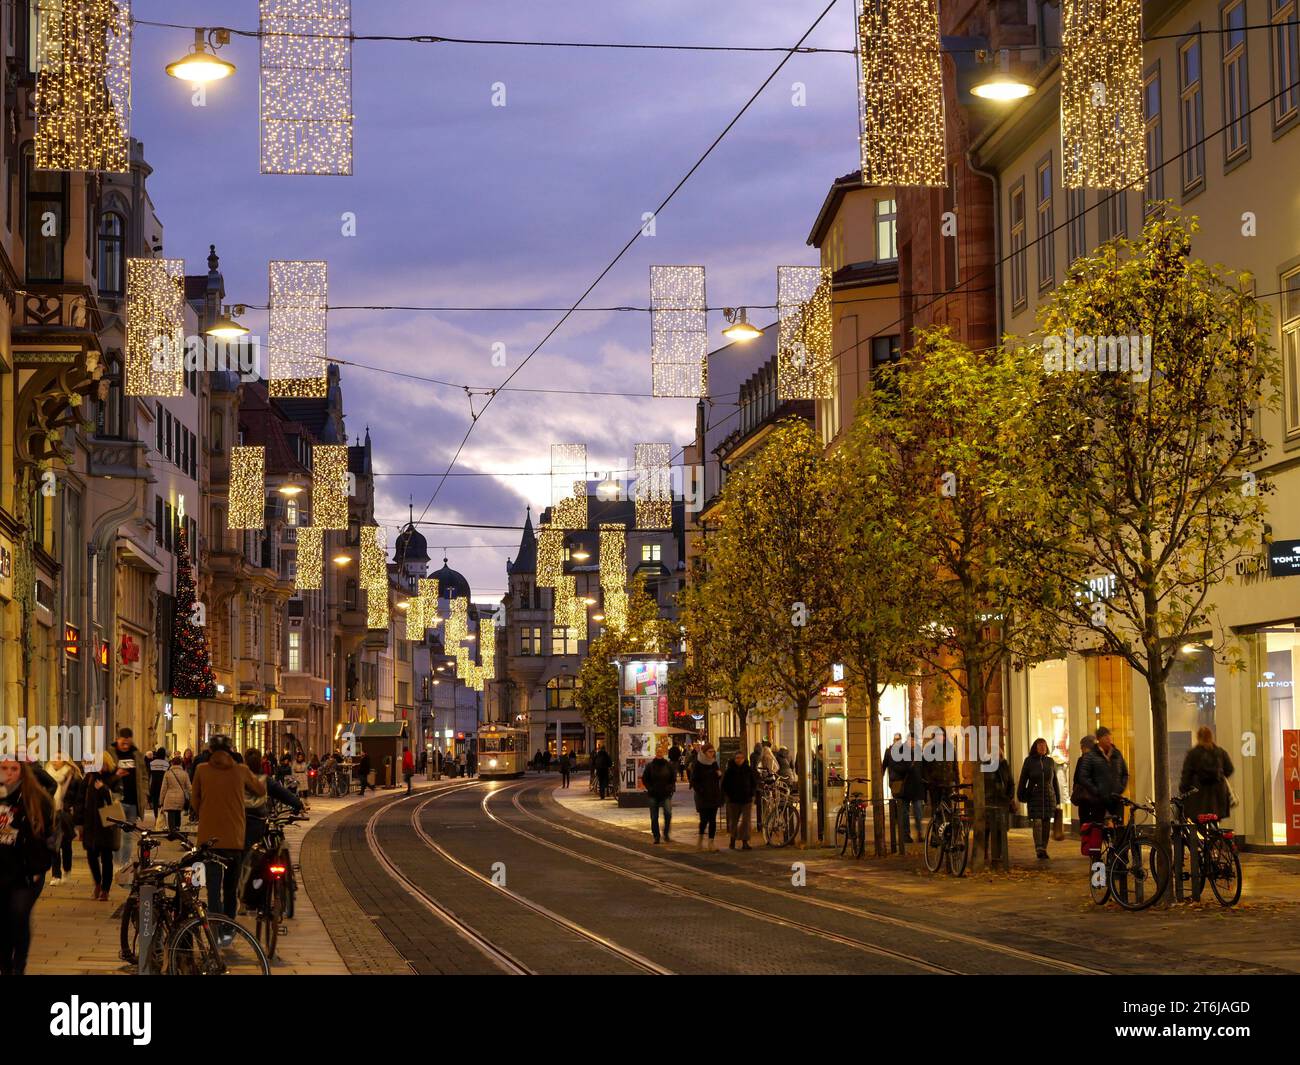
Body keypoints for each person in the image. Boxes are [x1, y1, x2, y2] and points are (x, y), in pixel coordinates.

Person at [191, 736, 266, 932]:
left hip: (209, 840)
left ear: (210, 751)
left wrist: (205, 815)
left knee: (213, 889)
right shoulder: (241, 770)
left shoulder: (201, 770)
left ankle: (215, 926)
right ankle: (228, 929)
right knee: (231, 889)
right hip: (234, 838)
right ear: (231, 751)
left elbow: (194, 800)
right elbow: (260, 790)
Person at [0, 758, 54, 975]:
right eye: (4, 768)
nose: (9, 773)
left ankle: (18, 966)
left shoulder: (35, 798)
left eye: (14, 768)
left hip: (26, 872)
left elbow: (48, 836)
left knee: (18, 915)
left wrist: (39, 867)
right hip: (1, 869)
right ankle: (5, 965)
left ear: (22, 771)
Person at [108, 728, 148, 873]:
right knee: (115, 835)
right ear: (117, 739)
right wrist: (117, 775)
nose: (125, 746)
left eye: (128, 743)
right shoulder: (109, 754)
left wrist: (145, 793)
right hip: (115, 800)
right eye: (123, 743)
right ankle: (115, 863)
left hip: (133, 802)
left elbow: (144, 775)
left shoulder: (136, 754)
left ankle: (124, 864)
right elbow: (103, 776)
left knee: (127, 836)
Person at [1018, 738, 1062, 860]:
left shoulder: (1050, 761)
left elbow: (1054, 781)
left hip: (1048, 796)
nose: (1043, 747)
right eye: (1040, 745)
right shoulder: (1029, 761)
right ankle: (1039, 848)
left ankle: (1044, 848)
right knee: (1037, 822)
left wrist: (1058, 800)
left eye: (1044, 745)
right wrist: (1022, 794)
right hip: (1034, 796)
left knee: (1046, 823)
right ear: (1035, 747)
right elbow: (1023, 779)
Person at [1179, 726, 1235, 822]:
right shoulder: (1220, 753)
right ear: (1211, 737)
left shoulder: (1192, 754)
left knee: (1200, 824)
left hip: (1198, 799)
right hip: (1217, 797)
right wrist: (1219, 778)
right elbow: (1230, 769)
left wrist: (1183, 791)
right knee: (1214, 821)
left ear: (1198, 737)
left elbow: (1186, 777)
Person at [82, 762, 118, 903]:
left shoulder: (113, 778)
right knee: (91, 855)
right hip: (90, 823)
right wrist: (78, 822)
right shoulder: (89, 778)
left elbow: (117, 798)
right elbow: (80, 799)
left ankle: (105, 890)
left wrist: (103, 789)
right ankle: (97, 883)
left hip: (107, 823)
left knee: (106, 857)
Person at [1077, 726, 1129, 818]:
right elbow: (1083, 777)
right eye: (1105, 736)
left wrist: (1121, 787)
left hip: (1116, 798)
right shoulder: (1091, 756)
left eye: (1109, 736)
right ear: (1099, 739)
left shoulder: (1117, 754)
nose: (1108, 739)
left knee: (1118, 824)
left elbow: (1125, 773)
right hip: (1098, 801)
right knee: (1099, 824)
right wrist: (1096, 790)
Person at [45, 758, 82, 885]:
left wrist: (75, 813)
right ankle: (56, 875)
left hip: (66, 814)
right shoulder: (46, 773)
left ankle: (67, 869)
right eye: (54, 758)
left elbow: (79, 797)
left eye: (59, 758)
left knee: (66, 844)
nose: (55, 761)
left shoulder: (74, 776)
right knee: (54, 843)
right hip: (52, 813)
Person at [884, 733, 925, 843]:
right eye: (910, 740)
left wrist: (924, 782)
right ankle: (906, 835)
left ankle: (920, 833)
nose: (912, 742)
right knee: (905, 813)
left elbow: (923, 768)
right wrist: (906, 768)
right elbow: (895, 766)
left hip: (917, 786)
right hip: (905, 787)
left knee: (918, 812)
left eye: (914, 740)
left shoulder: (919, 752)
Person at [688, 743, 723, 850]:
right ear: (704, 752)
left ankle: (711, 843)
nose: (712, 754)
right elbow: (694, 781)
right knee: (704, 820)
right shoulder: (698, 764)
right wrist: (701, 790)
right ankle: (700, 839)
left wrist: (719, 775)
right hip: (702, 797)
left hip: (713, 795)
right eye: (710, 752)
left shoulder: (714, 763)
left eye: (713, 752)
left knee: (712, 820)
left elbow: (717, 776)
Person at [722, 749, 758, 850]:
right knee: (734, 821)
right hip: (734, 800)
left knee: (746, 821)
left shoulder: (748, 769)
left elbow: (753, 782)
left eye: (741, 758)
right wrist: (729, 795)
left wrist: (752, 793)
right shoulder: (730, 770)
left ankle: (745, 841)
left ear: (744, 759)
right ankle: (732, 840)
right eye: (737, 758)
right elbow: (725, 784)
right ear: (734, 759)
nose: (739, 760)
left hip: (746, 799)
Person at [920, 726, 958, 819]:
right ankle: (936, 825)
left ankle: (948, 825)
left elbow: (955, 766)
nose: (940, 737)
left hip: (948, 783)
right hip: (935, 784)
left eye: (942, 735)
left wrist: (957, 781)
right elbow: (925, 767)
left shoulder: (950, 748)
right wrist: (929, 781)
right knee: (936, 807)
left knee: (948, 806)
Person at [641, 746, 677, 843]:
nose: (659, 753)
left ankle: (666, 833)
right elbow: (645, 778)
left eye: (661, 752)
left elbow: (673, 778)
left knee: (668, 813)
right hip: (653, 794)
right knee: (654, 816)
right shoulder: (650, 766)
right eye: (658, 752)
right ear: (655, 753)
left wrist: (670, 788)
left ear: (663, 753)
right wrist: (650, 788)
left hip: (665, 794)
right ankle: (656, 836)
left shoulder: (668, 765)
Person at [1070, 734, 1102, 829]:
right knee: (1097, 825)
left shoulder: (1083, 760)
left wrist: (1076, 790)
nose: (1081, 749)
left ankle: (1087, 838)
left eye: (1082, 746)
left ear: (1085, 747)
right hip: (1098, 799)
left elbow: (1077, 778)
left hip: (1085, 798)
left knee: (1085, 824)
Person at [158, 755, 191, 833]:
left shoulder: (167, 773)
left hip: (169, 797)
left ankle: (172, 830)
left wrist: (161, 801)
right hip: (180, 797)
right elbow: (189, 787)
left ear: (172, 763)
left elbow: (163, 789)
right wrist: (192, 797)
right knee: (178, 812)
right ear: (181, 764)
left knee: (171, 814)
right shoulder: (185, 774)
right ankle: (177, 828)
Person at [148, 747, 169, 816]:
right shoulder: (166, 763)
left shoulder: (152, 763)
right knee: (162, 800)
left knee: (155, 800)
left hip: (154, 783)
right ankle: (162, 815)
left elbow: (149, 774)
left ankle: (156, 816)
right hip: (163, 783)